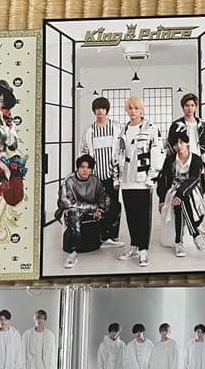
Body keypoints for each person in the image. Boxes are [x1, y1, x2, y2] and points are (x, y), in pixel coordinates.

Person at [114, 96, 164, 268]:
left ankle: (143, 250)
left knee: (143, 217)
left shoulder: (151, 128)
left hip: (143, 180)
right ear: (126, 110)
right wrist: (117, 178)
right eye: (130, 108)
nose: (133, 111)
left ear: (141, 110)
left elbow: (158, 153)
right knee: (131, 215)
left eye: (136, 108)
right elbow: (117, 154)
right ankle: (134, 246)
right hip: (126, 179)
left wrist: (152, 177)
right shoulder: (123, 130)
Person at [156, 127, 205, 257]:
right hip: (173, 190)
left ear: (187, 142)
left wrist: (180, 195)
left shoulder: (196, 159)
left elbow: (194, 179)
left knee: (182, 200)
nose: (178, 146)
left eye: (181, 142)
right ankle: (195, 235)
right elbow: (162, 180)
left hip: (192, 190)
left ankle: (179, 242)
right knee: (180, 201)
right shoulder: (170, 160)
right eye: (175, 144)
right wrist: (161, 200)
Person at [81, 96, 124, 247]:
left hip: (112, 175)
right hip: (95, 177)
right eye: (97, 108)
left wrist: (118, 176)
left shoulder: (116, 128)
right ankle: (97, 235)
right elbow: (84, 151)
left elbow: (121, 152)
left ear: (107, 110)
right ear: (94, 111)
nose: (100, 111)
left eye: (103, 108)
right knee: (96, 206)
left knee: (113, 205)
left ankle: (111, 236)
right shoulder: (89, 130)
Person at [57, 154, 113, 269]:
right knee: (73, 212)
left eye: (88, 167)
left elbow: (103, 197)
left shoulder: (95, 180)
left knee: (111, 204)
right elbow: (65, 202)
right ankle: (73, 251)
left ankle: (103, 238)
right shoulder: (69, 181)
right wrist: (92, 207)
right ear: (78, 168)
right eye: (82, 167)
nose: (85, 170)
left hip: (89, 209)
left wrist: (100, 209)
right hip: (72, 210)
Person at [167, 93, 205, 193]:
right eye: (187, 105)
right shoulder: (176, 125)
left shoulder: (202, 125)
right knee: (180, 190)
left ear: (196, 107)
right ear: (183, 107)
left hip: (197, 160)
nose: (190, 108)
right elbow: (170, 145)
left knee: (198, 190)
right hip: (181, 161)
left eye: (192, 105)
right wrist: (170, 164)